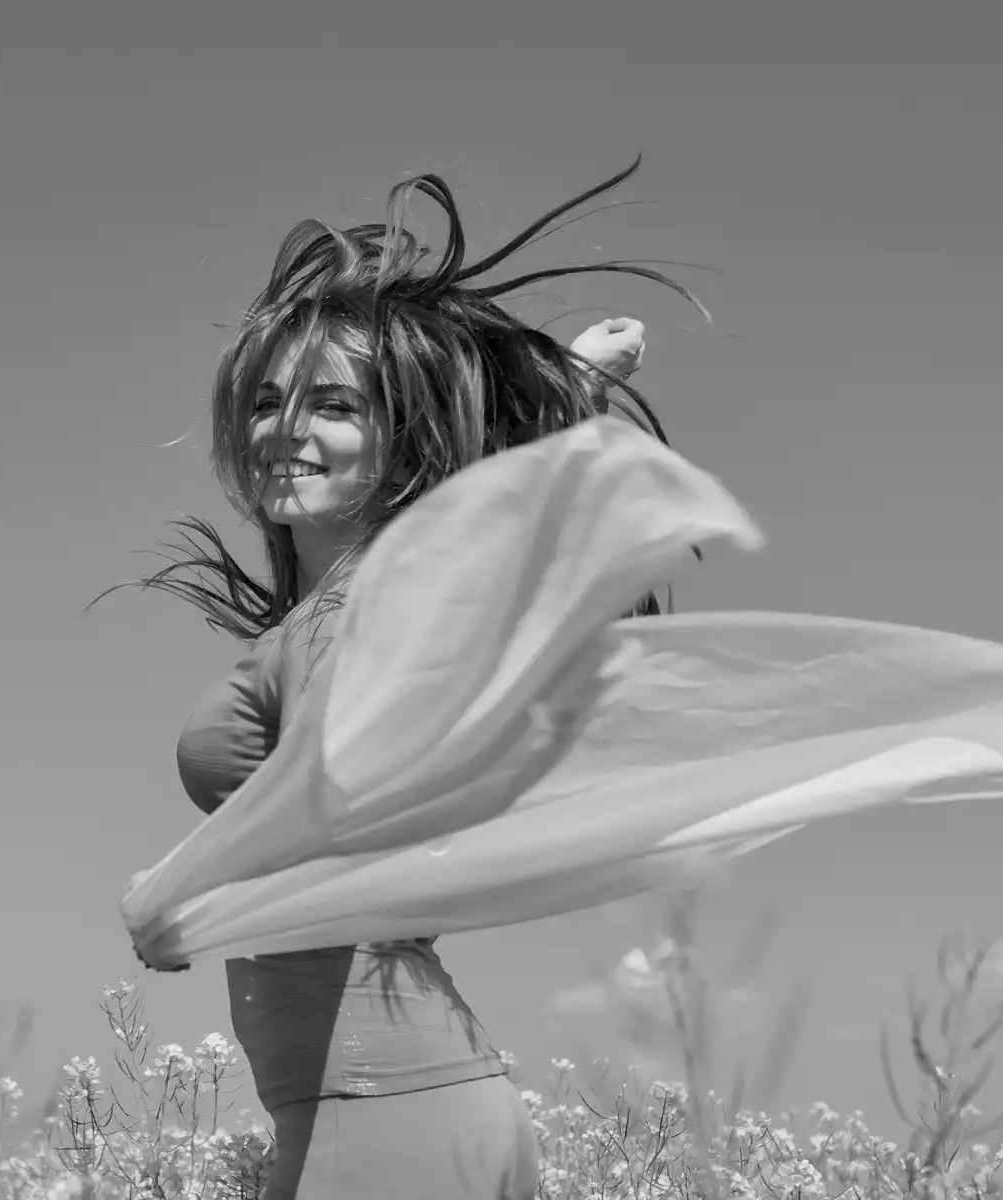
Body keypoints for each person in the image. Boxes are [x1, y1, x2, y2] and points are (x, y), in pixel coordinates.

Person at [116, 161, 699, 1200]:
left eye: (333, 404)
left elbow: (328, 796)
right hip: (367, 1105)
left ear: (401, 433)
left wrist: (176, 896)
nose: (284, 430)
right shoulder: (340, 605)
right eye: (265, 401)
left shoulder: (372, 606)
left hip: (384, 1110)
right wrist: (562, 387)